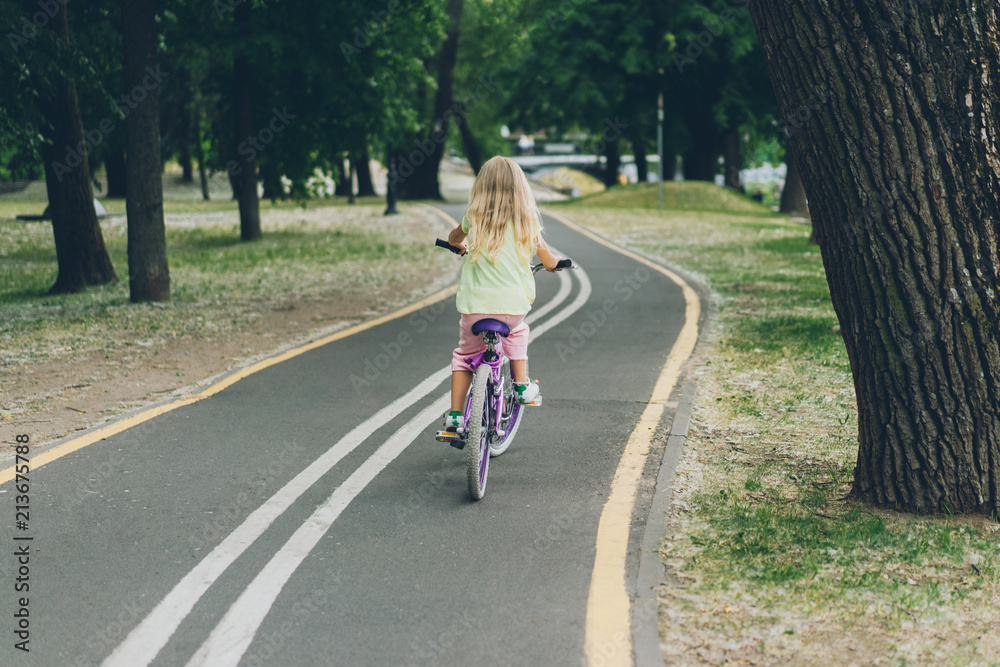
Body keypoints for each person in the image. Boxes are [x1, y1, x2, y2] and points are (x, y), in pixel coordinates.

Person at [443, 156, 562, 429]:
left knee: (463, 357)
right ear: (520, 188)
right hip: (512, 309)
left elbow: (454, 238)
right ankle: (521, 387)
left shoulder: (473, 218)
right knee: (519, 331)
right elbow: (549, 261)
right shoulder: (526, 222)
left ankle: (455, 415)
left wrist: (458, 245)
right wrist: (556, 265)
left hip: (474, 308)